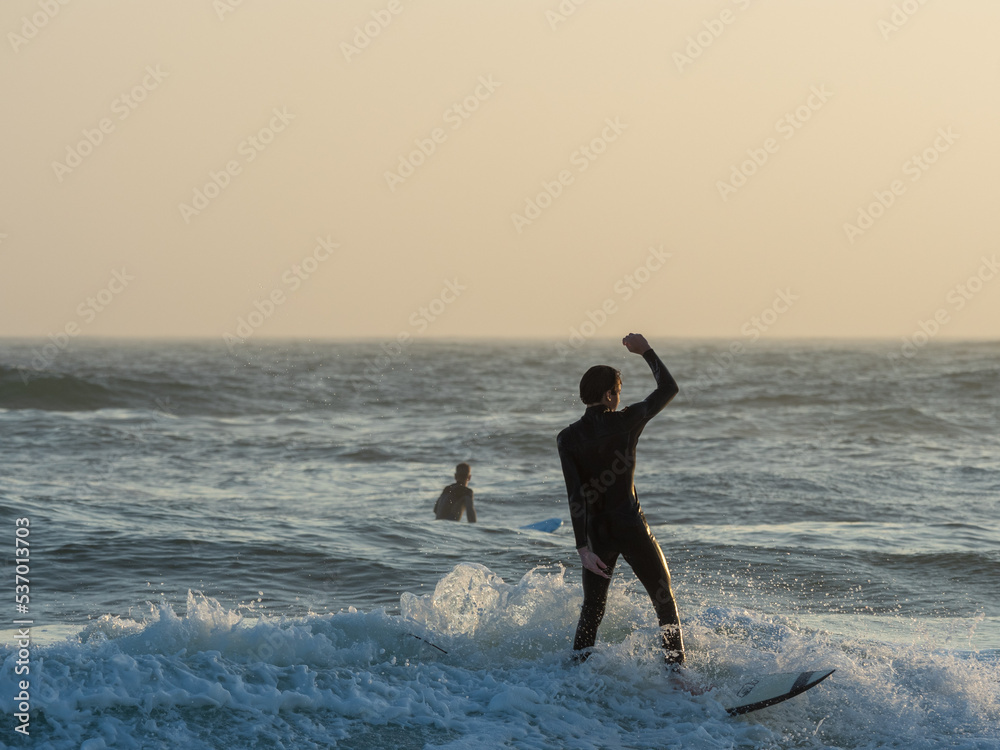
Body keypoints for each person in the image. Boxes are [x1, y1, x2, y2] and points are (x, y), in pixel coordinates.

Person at [557, 333, 684, 665]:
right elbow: (669, 389)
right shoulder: (626, 421)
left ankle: (575, 675)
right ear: (609, 395)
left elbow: (576, 495)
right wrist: (646, 352)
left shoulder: (567, 438)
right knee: (664, 601)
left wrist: (582, 548)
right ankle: (677, 677)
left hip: (597, 535)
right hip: (631, 527)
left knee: (593, 610)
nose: (618, 398)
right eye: (618, 392)